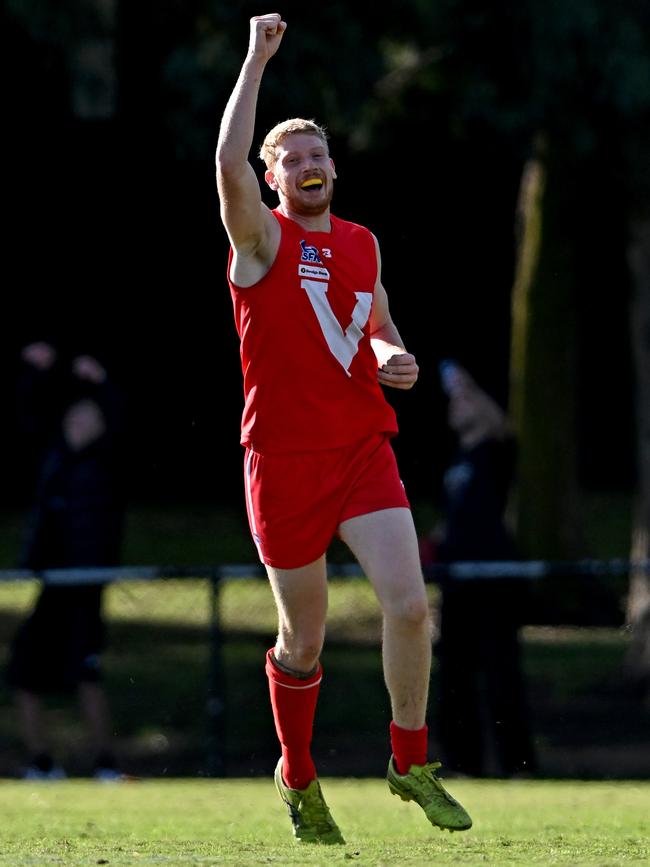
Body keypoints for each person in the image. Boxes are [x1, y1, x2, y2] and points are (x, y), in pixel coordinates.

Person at [215, 13, 472, 844]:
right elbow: (225, 162)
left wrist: (397, 355)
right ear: (270, 177)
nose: (311, 165)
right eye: (293, 158)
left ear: (335, 167)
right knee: (304, 640)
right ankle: (298, 775)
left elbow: (380, 324)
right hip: (283, 463)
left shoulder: (363, 243)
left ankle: (409, 760)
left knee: (408, 606)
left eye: (320, 154)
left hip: (362, 450)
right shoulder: (260, 241)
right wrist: (257, 58)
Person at [5, 341, 126, 781]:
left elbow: (120, 420)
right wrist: (35, 375)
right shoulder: (53, 457)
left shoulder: (106, 464)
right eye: (74, 415)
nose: (80, 422)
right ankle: (41, 761)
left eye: (89, 417)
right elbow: (28, 416)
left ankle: (105, 762)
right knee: (23, 674)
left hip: (85, 587)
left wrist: (103, 384)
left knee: (85, 673)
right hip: (52, 585)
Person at [423, 361, 536, 777]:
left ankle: (517, 765)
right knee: (454, 677)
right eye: (454, 400)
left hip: (493, 580)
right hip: (457, 584)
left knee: (500, 674)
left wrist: (467, 382)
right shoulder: (454, 463)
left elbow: (499, 422)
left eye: (466, 399)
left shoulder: (496, 450)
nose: (458, 404)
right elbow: (447, 522)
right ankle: (463, 764)